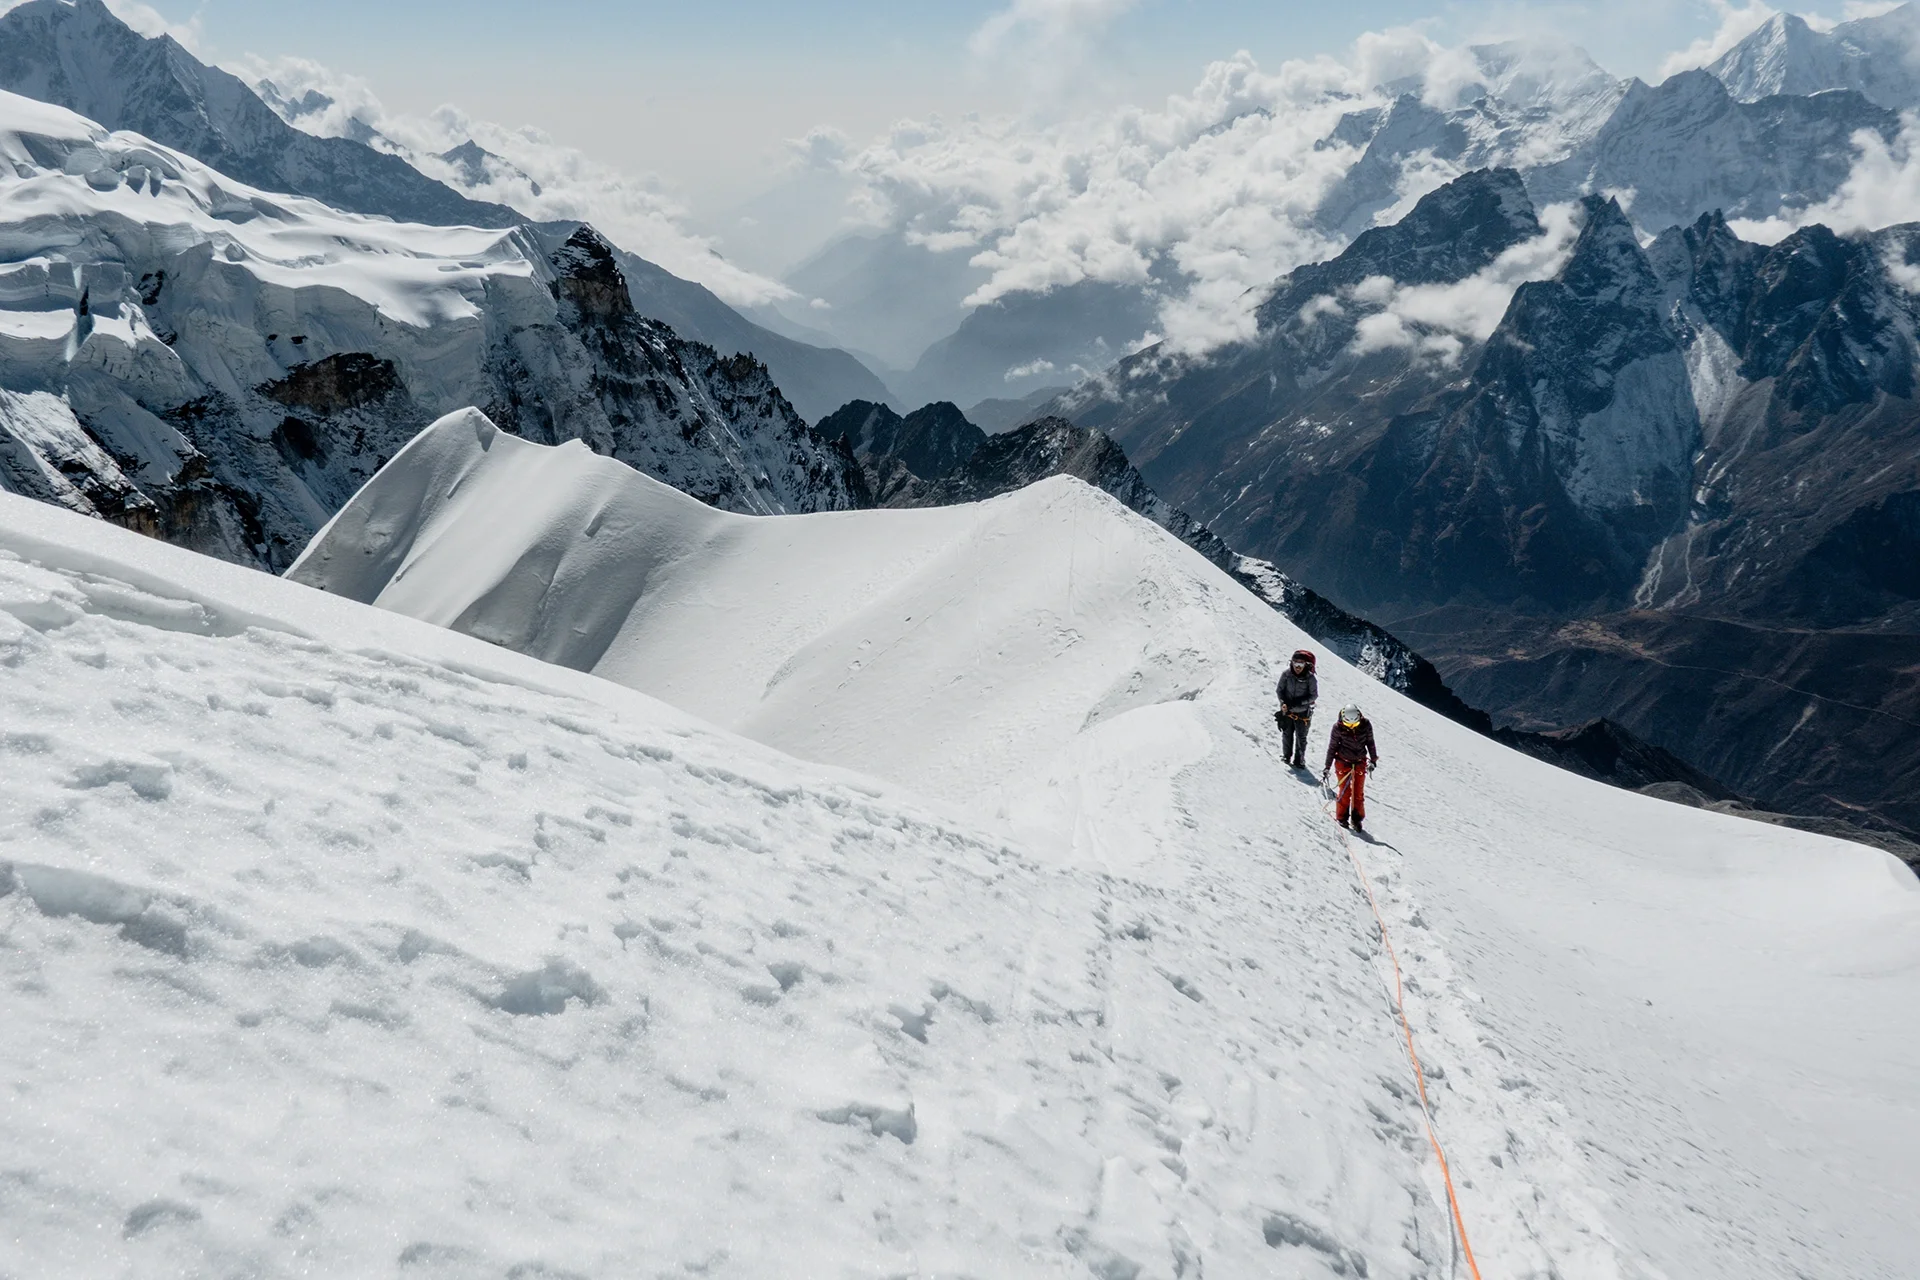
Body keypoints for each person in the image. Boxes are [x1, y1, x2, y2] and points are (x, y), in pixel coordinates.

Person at [1322, 704, 1379, 832]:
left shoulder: (1366, 725)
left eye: (1355, 724)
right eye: (1349, 725)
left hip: (1360, 762)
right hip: (1343, 762)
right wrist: (1327, 766)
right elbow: (1332, 748)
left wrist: (1373, 760)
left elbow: (1370, 742)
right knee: (1345, 791)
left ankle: (1357, 819)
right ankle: (1342, 817)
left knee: (1358, 793)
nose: (1352, 727)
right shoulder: (1337, 728)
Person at [1274, 649, 1317, 769]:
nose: (1297, 667)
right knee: (1287, 734)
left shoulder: (1310, 678)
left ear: (1306, 665)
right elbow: (1279, 690)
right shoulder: (1286, 675)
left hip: (1303, 713)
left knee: (1301, 737)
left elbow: (1313, 695)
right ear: (1291, 662)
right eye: (1295, 663)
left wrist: (1299, 702)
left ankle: (1299, 760)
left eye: (1301, 664)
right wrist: (1283, 703)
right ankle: (1286, 756)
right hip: (1288, 711)